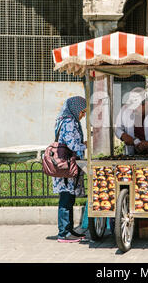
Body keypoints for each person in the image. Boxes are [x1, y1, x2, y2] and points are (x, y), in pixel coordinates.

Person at [52, 96, 87, 243]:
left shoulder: (63, 120)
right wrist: (87, 145)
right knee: (66, 199)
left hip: (66, 165)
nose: (83, 115)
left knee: (68, 198)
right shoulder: (69, 122)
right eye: (82, 111)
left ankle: (69, 230)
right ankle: (64, 233)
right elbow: (72, 145)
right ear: (75, 109)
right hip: (66, 166)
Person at [114, 87, 148, 155]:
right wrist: (123, 135)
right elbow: (118, 128)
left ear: (146, 104)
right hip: (131, 155)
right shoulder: (125, 109)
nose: (133, 110)